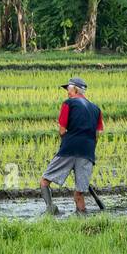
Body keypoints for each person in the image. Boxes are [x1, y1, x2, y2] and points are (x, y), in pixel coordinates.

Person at [40, 77, 103, 216]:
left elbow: (62, 131)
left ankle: (51, 208)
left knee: (44, 181)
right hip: (87, 152)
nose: (67, 92)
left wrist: (67, 143)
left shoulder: (68, 104)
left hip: (69, 149)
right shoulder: (96, 109)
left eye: (68, 89)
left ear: (75, 89)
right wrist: (86, 149)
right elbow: (97, 135)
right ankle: (82, 216)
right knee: (79, 191)